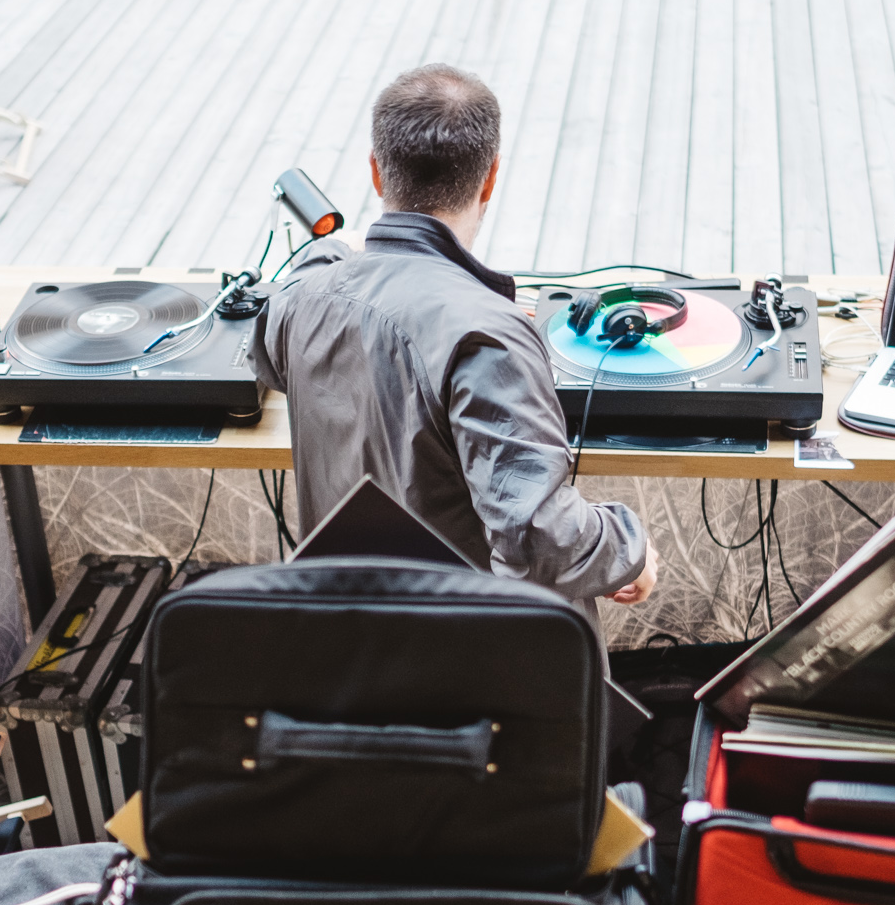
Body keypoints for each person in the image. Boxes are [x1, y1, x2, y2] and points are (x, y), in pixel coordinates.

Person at [252, 64, 657, 610]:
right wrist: (631, 547)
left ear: (376, 173)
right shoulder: (488, 334)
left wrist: (338, 256)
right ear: (490, 178)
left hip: (350, 641)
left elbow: (269, 338)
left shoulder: (302, 300)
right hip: (466, 660)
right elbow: (541, 541)